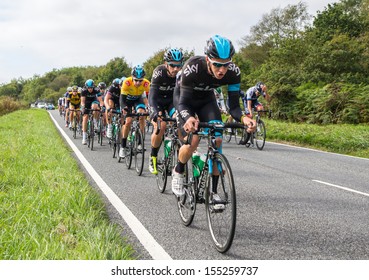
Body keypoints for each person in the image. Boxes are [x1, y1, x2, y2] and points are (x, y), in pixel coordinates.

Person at [172, 35, 256, 209]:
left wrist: (244, 118)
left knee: (217, 139)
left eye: (226, 64)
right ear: (208, 60)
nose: (222, 69)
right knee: (191, 141)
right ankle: (179, 170)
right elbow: (183, 102)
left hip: (207, 101)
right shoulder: (193, 67)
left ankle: (214, 193)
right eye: (217, 64)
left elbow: (233, 107)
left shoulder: (233, 72)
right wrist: (188, 118)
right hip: (185, 99)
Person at [148, 48, 184, 174]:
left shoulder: (182, 75)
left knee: (180, 124)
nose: (175, 69)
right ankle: (153, 157)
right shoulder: (159, 72)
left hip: (171, 102)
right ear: (166, 64)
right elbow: (151, 96)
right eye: (172, 65)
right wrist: (155, 113)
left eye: (178, 66)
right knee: (161, 126)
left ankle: (180, 163)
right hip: (157, 102)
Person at [119, 65, 150, 158]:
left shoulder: (147, 83)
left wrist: (150, 108)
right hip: (127, 101)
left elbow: (150, 98)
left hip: (138, 100)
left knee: (142, 115)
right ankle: (123, 146)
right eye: (136, 80)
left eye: (140, 80)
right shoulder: (127, 82)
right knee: (128, 121)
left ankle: (140, 142)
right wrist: (124, 107)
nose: (138, 82)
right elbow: (122, 99)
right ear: (132, 77)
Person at [80, 79, 104, 145]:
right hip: (86, 102)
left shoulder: (96, 90)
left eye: (91, 88)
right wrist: (83, 107)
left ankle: (95, 121)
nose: (90, 89)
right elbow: (82, 102)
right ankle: (84, 137)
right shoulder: (84, 91)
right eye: (89, 88)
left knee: (95, 107)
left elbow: (101, 101)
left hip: (94, 101)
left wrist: (102, 106)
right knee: (85, 117)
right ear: (86, 87)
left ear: (93, 87)